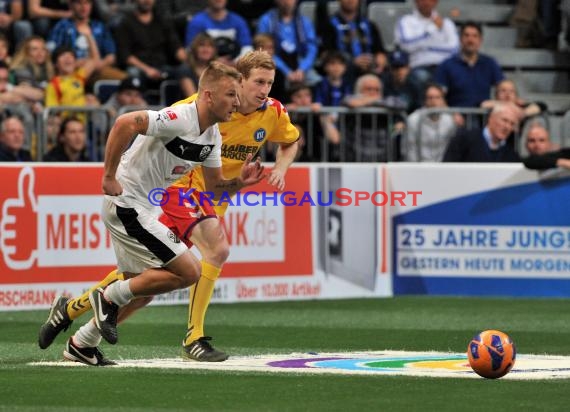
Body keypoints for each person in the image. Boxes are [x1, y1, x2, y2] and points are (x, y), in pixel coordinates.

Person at [38, 52, 299, 365]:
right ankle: (193, 337)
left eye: (270, 83)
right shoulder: (186, 114)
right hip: (172, 193)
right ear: (232, 86)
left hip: (174, 200)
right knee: (209, 256)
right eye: (257, 82)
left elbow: (221, 183)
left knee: (144, 285)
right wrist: (107, 174)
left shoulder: (224, 127)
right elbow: (126, 122)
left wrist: (246, 181)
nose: (264, 90)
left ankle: (78, 332)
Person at [46, 0, 126, 84]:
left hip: (99, 70)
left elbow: (111, 56)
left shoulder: (99, 27)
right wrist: (75, 63)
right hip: (72, 70)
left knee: (126, 81)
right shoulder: (62, 26)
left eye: (87, 3)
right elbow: (51, 54)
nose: (83, 7)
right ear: (71, 5)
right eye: (79, 3)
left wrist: (97, 65)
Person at [435, 21, 504, 108]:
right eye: (466, 35)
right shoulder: (447, 65)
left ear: (480, 40)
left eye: (475, 36)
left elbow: (503, 87)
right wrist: (451, 114)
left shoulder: (489, 63)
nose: (470, 40)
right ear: (460, 39)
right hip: (455, 117)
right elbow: (437, 96)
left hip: (484, 117)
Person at [318, 0, 387, 82]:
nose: (350, 1)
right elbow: (325, 54)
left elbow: (380, 51)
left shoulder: (369, 25)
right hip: (342, 73)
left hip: (369, 70)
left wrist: (380, 60)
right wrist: (352, 61)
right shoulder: (329, 25)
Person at [394, 0, 459, 87]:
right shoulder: (406, 21)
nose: (426, 2)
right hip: (419, 66)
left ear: (436, 1)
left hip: (445, 67)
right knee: (420, 77)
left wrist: (423, 46)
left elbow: (454, 49)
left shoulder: (447, 23)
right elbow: (406, 46)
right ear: (416, 1)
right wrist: (432, 29)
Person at [256, 0, 320, 88]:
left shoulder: (304, 22)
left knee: (317, 81)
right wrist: (286, 71)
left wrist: (302, 69)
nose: (287, 2)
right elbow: (263, 49)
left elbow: (312, 48)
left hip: (300, 64)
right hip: (275, 64)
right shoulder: (266, 20)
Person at [442, 103, 520, 162]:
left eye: (512, 124)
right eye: (504, 120)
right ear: (491, 118)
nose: (507, 127)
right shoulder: (464, 139)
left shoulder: (511, 154)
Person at [185, 0, 253, 63]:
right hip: (205, 66)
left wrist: (234, 63)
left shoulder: (238, 21)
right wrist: (213, 62)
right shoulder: (197, 22)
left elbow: (247, 48)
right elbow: (191, 50)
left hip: (234, 66)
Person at [403, 83, 457, 162]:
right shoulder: (413, 120)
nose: (434, 101)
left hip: (443, 167)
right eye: (430, 98)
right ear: (424, 101)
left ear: (443, 100)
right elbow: (409, 150)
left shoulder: (449, 120)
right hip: (419, 167)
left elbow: (452, 149)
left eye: (437, 98)